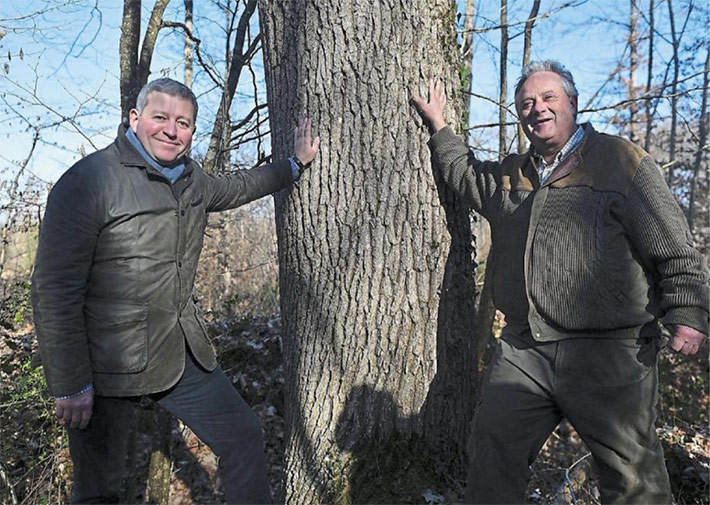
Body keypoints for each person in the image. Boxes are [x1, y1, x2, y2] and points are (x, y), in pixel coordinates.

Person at [412, 60, 709, 504]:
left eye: (549, 98)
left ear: (572, 102)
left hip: (610, 351)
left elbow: (672, 241)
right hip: (524, 350)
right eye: (526, 103)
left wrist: (688, 311)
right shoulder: (514, 174)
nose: (538, 109)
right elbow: (467, 176)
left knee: (632, 478)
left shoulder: (620, 161)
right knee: (492, 453)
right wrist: (439, 128)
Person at [31, 77, 319, 504]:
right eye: (160, 117)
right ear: (135, 118)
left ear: (192, 133)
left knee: (242, 435)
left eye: (183, 123)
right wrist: (71, 384)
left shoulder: (191, 180)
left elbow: (239, 187)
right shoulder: (89, 181)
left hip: (176, 352)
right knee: (99, 491)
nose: (171, 130)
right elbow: (53, 290)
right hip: (105, 364)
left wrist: (293, 166)